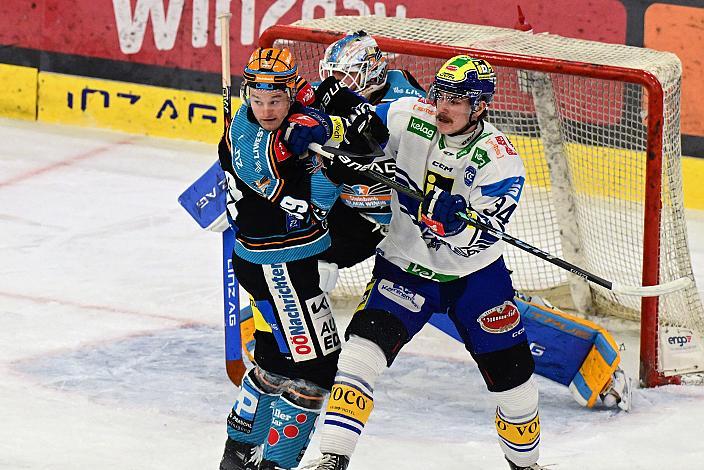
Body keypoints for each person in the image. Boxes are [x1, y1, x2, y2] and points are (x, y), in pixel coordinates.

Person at [308, 56, 545, 470]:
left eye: (457, 100)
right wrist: (332, 126)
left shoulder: (500, 158)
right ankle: (332, 459)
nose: (443, 107)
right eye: (440, 95)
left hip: (475, 281)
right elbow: (359, 130)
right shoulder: (409, 116)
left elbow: (480, 238)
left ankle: (527, 466)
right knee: (360, 356)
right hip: (403, 268)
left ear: (481, 106)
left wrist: (453, 224)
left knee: (515, 383)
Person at [218, 46, 381, 470]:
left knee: (274, 355)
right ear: (247, 93)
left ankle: (236, 457)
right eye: (257, 100)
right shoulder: (254, 149)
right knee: (317, 368)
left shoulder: (290, 99)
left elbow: (365, 127)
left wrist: (327, 123)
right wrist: (332, 170)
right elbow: (305, 211)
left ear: (291, 90)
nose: (266, 109)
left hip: (270, 262)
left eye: (275, 100)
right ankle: (276, 465)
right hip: (280, 265)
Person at [315, 31, 425, 281]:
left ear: (373, 73)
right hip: (356, 217)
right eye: (331, 74)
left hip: (406, 221)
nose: (336, 83)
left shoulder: (408, 105)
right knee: (305, 253)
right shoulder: (323, 97)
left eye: (346, 75)